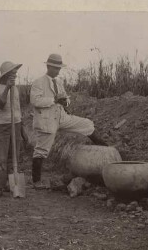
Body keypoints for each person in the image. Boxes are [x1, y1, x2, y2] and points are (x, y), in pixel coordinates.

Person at [30, 53, 107, 189]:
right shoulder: (38, 82)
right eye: (55, 68)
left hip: (61, 117)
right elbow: (35, 101)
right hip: (47, 120)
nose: (58, 71)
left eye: (59, 68)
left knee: (86, 124)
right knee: (42, 149)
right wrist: (54, 100)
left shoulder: (59, 82)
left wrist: (65, 102)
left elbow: (66, 99)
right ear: (48, 66)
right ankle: (36, 181)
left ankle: (106, 149)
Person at [0, 61, 24, 199]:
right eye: (13, 72)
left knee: (14, 157)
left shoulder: (16, 89)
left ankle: (11, 184)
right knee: (1, 158)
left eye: (16, 72)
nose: (15, 74)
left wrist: (22, 130)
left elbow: (18, 111)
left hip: (16, 124)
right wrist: (7, 88)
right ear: (6, 74)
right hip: (2, 126)